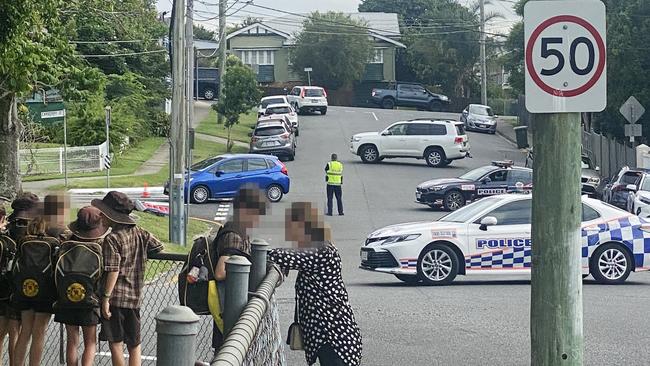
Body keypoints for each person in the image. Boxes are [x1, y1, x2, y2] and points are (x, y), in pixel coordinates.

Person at [268, 202, 362, 366]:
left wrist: (254, 253)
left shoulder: (320, 249)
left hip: (335, 338)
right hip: (329, 335)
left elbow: (280, 255)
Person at [93, 191, 163, 366]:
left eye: (103, 212)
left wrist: (105, 298)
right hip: (134, 298)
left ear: (112, 216)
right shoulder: (140, 233)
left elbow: (113, 270)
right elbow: (158, 247)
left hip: (115, 298)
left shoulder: (112, 239)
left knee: (115, 343)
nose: (100, 215)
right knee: (134, 344)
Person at [210, 186, 266, 354]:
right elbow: (220, 272)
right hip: (228, 307)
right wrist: (243, 271)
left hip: (232, 305)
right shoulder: (234, 235)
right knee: (228, 352)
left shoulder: (240, 230)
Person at [55, 206, 111, 366]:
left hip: (66, 298)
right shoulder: (99, 246)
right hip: (90, 301)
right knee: (90, 343)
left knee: (72, 342)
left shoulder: (67, 244)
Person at [13, 197, 63, 366]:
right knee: (39, 332)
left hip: (25, 289)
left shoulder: (23, 241)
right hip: (45, 291)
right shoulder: (53, 242)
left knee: (25, 331)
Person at [2, 193, 39, 366]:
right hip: (24, 287)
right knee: (18, 332)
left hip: (4, 287)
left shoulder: (8, 232)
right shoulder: (34, 234)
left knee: (6, 333)